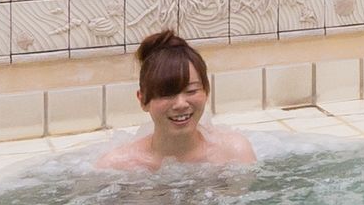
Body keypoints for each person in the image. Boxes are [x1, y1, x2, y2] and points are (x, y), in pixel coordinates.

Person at [93, 29, 258, 172]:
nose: (181, 104)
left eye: (191, 91)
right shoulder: (117, 167)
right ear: (143, 100)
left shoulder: (234, 154)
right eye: (167, 94)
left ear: (206, 92)